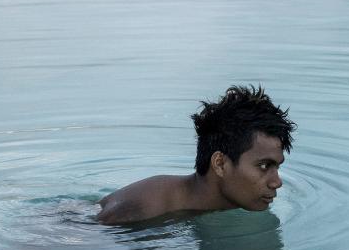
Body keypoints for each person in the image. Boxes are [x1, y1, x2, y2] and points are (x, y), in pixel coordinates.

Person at [97, 84, 295, 225]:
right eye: (263, 166)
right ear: (219, 164)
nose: (276, 182)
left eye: (277, 166)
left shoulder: (230, 202)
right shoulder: (145, 207)